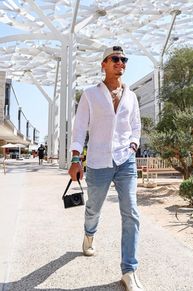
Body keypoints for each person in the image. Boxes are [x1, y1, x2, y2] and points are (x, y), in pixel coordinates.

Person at [68, 46, 143, 291]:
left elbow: (136, 126)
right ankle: (89, 234)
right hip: (98, 162)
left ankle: (129, 270)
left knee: (131, 212)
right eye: (115, 59)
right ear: (104, 63)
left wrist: (133, 144)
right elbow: (79, 128)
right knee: (93, 208)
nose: (121, 63)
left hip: (125, 162)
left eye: (124, 60)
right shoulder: (90, 94)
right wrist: (76, 158)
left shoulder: (131, 96)